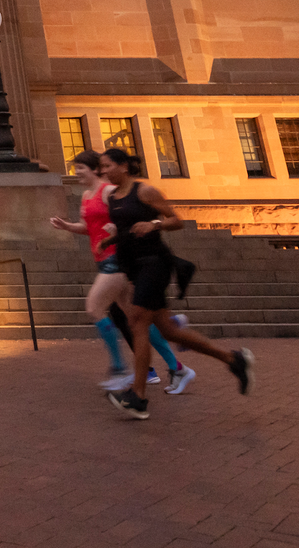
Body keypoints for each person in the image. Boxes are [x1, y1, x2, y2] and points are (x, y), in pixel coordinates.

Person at [95, 147, 254, 420]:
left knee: (137, 322)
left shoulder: (144, 191)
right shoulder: (113, 197)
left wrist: (154, 224)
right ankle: (234, 359)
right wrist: (111, 240)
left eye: (107, 166)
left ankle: (138, 396)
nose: (103, 171)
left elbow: (175, 220)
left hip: (155, 264)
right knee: (169, 330)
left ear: (123, 166)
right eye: (101, 167)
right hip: (134, 267)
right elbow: (125, 230)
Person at [47, 150, 191, 394]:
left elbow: (123, 218)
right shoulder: (86, 195)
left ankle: (119, 369)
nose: (76, 172)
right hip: (103, 259)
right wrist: (69, 226)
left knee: (94, 307)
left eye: (80, 168)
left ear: (95, 169)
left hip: (117, 259)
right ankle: (177, 367)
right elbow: (90, 228)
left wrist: (118, 229)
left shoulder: (108, 191)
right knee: (137, 319)